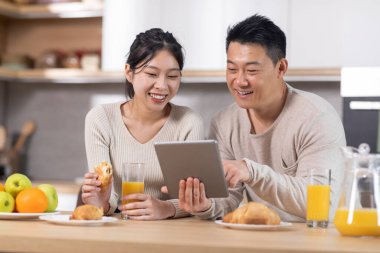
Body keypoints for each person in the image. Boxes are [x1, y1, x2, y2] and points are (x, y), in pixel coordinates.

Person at [177, 14, 346, 222]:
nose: (239, 81)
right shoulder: (224, 122)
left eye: (252, 70)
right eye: (231, 69)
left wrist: (252, 172)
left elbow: (322, 205)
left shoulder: (316, 118)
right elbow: (228, 198)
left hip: (314, 239)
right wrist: (205, 205)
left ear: (281, 68)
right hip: (260, 235)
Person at [81, 28, 204, 220]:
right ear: (129, 72)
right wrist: (102, 201)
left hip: (173, 231)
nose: (162, 86)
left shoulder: (188, 122)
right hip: (119, 228)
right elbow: (105, 193)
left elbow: (194, 198)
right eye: (152, 74)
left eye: (172, 76)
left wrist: (166, 208)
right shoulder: (100, 118)